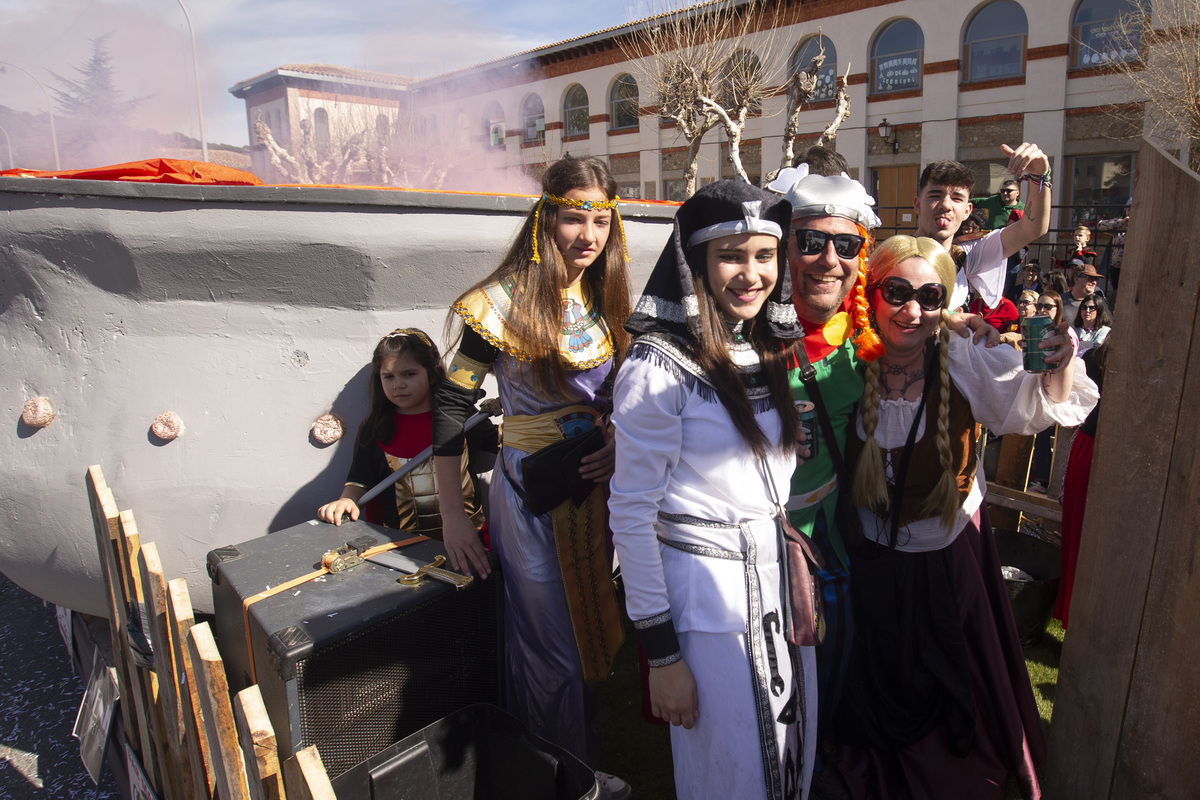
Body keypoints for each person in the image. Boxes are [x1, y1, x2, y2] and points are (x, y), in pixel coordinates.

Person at [836, 235, 1098, 800]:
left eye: (931, 296)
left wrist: (1058, 361)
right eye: (897, 292)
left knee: (948, 674)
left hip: (943, 557)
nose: (912, 310)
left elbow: (1031, 405)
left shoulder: (964, 358)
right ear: (871, 293)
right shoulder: (846, 361)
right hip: (870, 564)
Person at [430, 155, 632, 795]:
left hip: (593, 491)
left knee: (593, 634)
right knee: (551, 652)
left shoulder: (605, 297)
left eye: (601, 220)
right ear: (545, 216)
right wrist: (455, 515)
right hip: (527, 497)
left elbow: (627, 397)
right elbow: (451, 406)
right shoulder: (499, 304)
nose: (589, 235)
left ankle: (581, 763)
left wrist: (618, 444)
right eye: (575, 217)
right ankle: (560, 780)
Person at [610, 180, 812, 800]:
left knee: (791, 759)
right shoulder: (656, 367)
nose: (751, 275)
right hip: (711, 607)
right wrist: (664, 659)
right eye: (730, 255)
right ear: (694, 261)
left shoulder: (764, 347)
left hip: (779, 587)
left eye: (763, 256)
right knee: (729, 773)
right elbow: (633, 516)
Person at [317, 328, 490, 536]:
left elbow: (503, 446)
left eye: (409, 374)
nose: (398, 384)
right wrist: (346, 500)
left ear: (433, 373)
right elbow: (360, 480)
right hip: (400, 546)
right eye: (388, 376)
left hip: (470, 537)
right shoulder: (374, 428)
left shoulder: (464, 418)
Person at [914, 145, 1051, 311]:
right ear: (918, 205)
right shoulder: (892, 257)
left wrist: (1039, 176)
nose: (945, 205)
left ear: (967, 211)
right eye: (935, 196)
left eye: (956, 198)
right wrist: (952, 318)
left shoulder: (969, 254)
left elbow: (1032, 228)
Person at [1056, 335, 1110, 629]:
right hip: (1093, 450)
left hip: (1113, 454)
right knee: (1080, 533)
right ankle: (1074, 617)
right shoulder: (1094, 358)